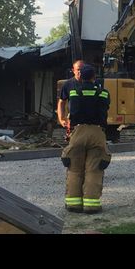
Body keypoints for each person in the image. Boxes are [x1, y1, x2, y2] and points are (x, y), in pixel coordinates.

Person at [59, 64, 111, 214]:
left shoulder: (74, 92)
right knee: (94, 169)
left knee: (74, 169)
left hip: (78, 131)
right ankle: (91, 205)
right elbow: (105, 107)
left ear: (80, 76)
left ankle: (73, 204)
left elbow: (72, 110)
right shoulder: (104, 93)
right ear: (94, 77)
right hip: (97, 132)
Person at [56, 59, 84, 132]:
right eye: (78, 69)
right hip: (73, 122)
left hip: (89, 122)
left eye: (82, 70)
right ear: (73, 70)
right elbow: (61, 102)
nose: (80, 72)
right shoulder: (68, 85)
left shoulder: (92, 84)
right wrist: (61, 119)